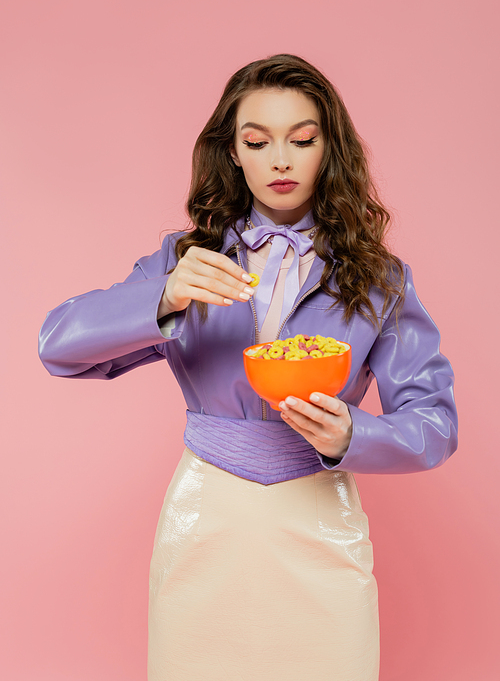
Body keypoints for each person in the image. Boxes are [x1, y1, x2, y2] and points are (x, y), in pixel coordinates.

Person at [38, 54, 458, 681]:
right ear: (233, 153)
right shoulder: (186, 259)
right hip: (206, 516)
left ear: (329, 149)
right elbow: (57, 345)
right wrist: (164, 297)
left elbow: (435, 424)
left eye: (303, 139)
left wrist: (353, 435)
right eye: (257, 141)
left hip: (319, 515)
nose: (280, 160)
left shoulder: (380, 279)